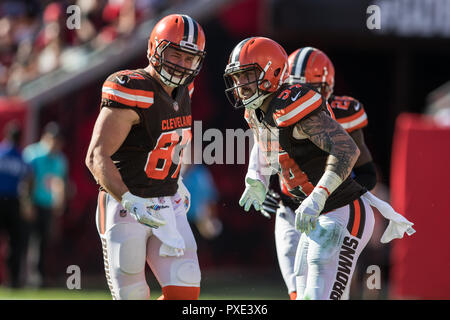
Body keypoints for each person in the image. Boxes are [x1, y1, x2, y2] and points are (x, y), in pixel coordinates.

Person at [223, 37, 415, 300]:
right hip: (308, 213)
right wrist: (255, 177)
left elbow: (347, 150)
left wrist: (318, 195)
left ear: (274, 72)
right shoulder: (257, 111)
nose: (240, 85)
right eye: (236, 77)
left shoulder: (294, 107)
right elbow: (265, 142)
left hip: (339, 210)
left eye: (247, 76)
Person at [85, 14, 206, 300]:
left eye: (190, 58)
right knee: (133, 294)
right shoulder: (131, 88)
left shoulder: (186, 89)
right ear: (155, 48)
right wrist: (129, 199)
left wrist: (177, 178)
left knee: (185, 291)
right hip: (126, 205)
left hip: (168, 203)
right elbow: (96, 155)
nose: (182, 64)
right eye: (175, 54)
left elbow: (173, 139)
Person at [260, 47, 377, 300]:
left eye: (311, 88)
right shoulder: (276, 110)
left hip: (328, 209)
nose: (302, 95)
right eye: (295, 86)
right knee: (299, 293)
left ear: (326, 89)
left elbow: (367, 173)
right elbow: (269, 154)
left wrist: (334, 196)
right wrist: (268, 186)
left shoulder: (341, 114)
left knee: (326, 292)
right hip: (291, 209)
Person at [23, 121, 67, 287]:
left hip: (47, 206)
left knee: (43, 242)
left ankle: (38, 278)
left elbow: (59, 182)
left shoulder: (60, 159)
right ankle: (22, 276)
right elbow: (26, 181)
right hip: (32, 204)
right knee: (27, 241)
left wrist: (59, 202)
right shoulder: (32, 154)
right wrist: (27, 203)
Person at [0, 121, 31, 287]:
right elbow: (28, 178)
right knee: (15, 243)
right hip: (13, 202)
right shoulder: (21, 157)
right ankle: (13, 280)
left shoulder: (1, 153)